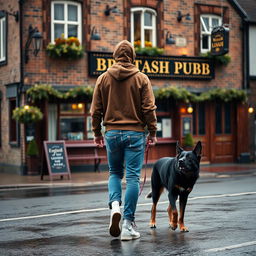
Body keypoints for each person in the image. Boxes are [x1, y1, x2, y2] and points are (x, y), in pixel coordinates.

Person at [90, 40, 157, 241]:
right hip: (135, 133)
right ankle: (127, 224)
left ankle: (115, 206)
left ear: (115, 56)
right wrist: (152, 132)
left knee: (115, 173)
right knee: (133, 178)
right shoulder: (142, 78)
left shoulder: (103, 78)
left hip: (111, 133)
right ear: (133, 56)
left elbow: (95, 111)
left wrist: (97, 133)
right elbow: (149, 109)